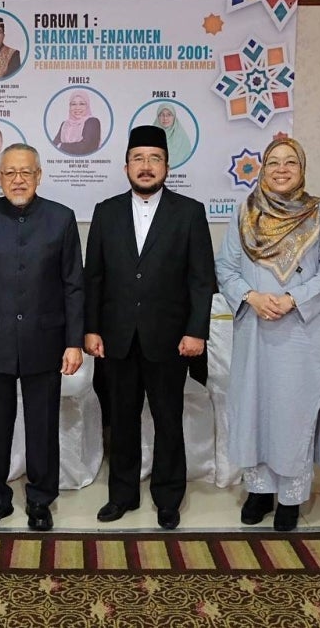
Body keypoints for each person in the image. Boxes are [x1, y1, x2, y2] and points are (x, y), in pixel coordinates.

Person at [84, 125, 215, 530]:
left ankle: (168, 497)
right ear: (126, 166)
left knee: (168, 419)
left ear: (167, 166)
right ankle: (122, 495)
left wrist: (196, 331)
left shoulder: (189, 212)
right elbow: (94, 277)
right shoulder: (106, 212)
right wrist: (91, 330)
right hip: (118, 338)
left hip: (170, 338)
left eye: (154, 158)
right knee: (121, 420)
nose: (146, 166)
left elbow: (201, 279)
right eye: (138, 159)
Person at [215, 137, 320, 532]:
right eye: (273, 162)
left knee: (293, 411)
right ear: (263, 169)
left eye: (291, 162)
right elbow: (225, 267)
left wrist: (292, 299)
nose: (282, 169)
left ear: (302, 170)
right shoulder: (245, 212)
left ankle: (290, 496)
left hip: (301, 331)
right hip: (255, 327)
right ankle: (258, 491)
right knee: (255, 408)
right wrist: (251, 296)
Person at [0, 143, 84, 532]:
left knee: (42, 427)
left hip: (44, 340)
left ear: (38, 176)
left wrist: (74, 342)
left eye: (26, 172)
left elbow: (74, 285)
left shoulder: (61, 219)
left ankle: (41, 500)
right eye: (10, 172)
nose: (18, 179)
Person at [52, 91, 101, 156]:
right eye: (73, 104)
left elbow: (84, 148)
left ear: (87, 106)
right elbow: (54, 145)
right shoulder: (65, 124)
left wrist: (61, 146)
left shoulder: (92, 122)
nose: (77, 108)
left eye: (82, 104)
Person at [152, 104, 193, 169]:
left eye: (169, 115)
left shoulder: (183, 139)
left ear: (174, 117)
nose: (165, 118)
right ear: (158, 117)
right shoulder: (150, 136)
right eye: (162, 115)